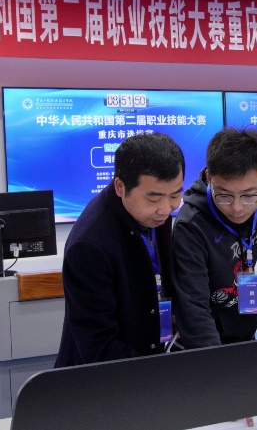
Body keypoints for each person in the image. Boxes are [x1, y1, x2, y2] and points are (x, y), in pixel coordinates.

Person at [55, 132, 184, 367]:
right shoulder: (90, 245)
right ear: (120, 186)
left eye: (175, 195)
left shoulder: (151, 214)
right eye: (154, 199)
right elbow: (98, 345)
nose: (166, 209)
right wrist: (154, 374)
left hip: (150, 360)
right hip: (107, 378)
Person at [172, 127, 257, 349]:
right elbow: (193, 307)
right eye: (224, 195)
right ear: (209, 178)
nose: (237, 207)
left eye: (248, 196)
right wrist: (217, 362)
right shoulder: (191, 224)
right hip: (204, 341)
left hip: (245, 331)